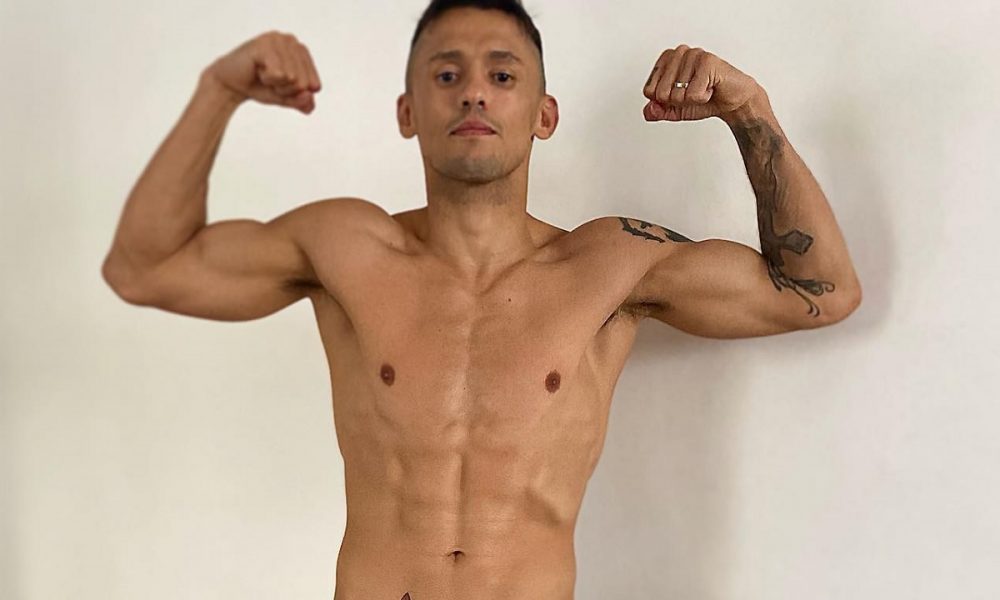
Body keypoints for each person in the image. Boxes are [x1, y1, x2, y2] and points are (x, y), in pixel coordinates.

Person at [101, 1, 862, 598]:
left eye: (502, 75)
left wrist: (750, 111)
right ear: (407, 112)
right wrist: (220, 91)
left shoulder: (610, 264)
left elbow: (821, 291)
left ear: (544, 114)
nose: (472, 90)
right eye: (445, 75)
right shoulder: (345, 249)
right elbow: (145, 269)